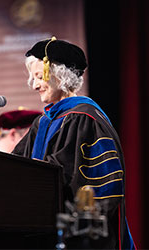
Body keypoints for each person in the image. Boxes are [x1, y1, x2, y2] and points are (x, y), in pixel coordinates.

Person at [12, 37, 135, 249]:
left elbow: (101, 190)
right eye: (32, 78)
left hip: (79, 238)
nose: (34, 85)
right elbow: (13, 167)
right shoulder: (41, 123)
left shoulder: (85, 118)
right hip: (42, 233)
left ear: (60, 77)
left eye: (40, 77)